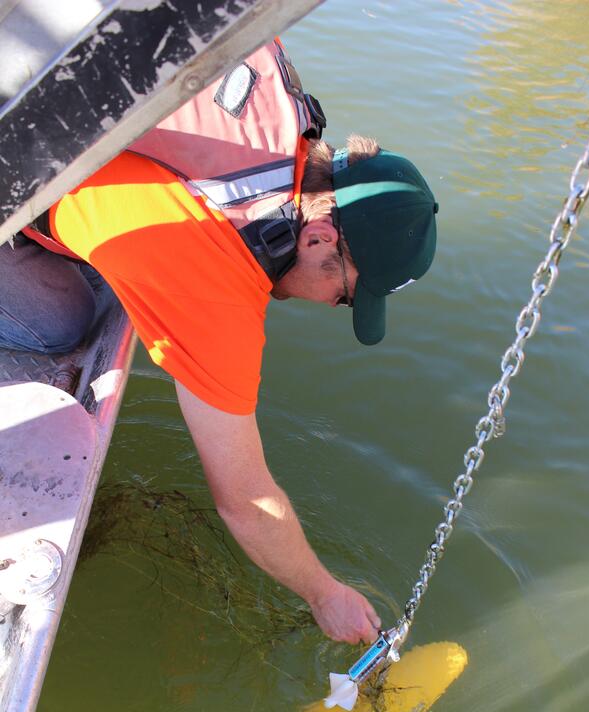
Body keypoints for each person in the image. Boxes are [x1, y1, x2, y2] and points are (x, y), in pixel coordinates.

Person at [0, 39, 438, 646]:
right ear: (317, 239)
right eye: (345, 296)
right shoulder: (217, 295)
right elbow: (246, 501)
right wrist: (325, 593)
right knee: (61, 323)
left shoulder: (279, 115)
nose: (333, 308)